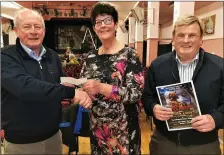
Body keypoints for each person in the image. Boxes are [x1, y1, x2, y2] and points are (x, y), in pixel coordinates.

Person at [1, 8, 92, 154]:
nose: (33, 31)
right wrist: (71, 92)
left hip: (53, 137)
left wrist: (77, 89)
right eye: (27, 26)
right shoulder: (5, 57)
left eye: (38, 27)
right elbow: (25, 87)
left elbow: (58, 86)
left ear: (44, 31)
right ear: (17, 30)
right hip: (21, 142)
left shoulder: (53, 56)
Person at [142, 14, 224, 155]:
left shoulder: (219, 67)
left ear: (201, 39)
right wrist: (153, 107)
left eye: (192, 35)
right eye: (181, 35)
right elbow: (147, 97)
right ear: (173, 39)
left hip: (204, 145)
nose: (186, 40)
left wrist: (215, 119)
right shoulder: (157, 65)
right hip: (164, 142)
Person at [80, 2, 144, 155]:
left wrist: (101, 88)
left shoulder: (130, 55)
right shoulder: (90, 57)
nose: (103, 25)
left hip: (124, 130)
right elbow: (82, 85)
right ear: (94, 28)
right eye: (98, 22)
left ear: (116, 25)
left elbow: (135, 94)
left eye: (107, 20)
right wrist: (82, 93)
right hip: (98, 129)